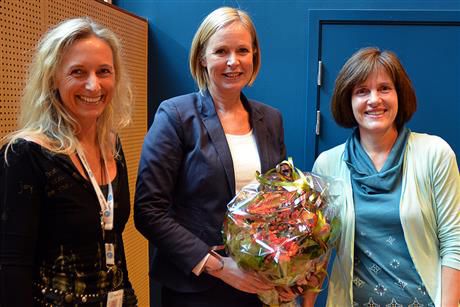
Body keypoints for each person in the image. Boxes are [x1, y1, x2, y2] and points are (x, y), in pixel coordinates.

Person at [134, 6, 286, 307]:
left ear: (254, 54)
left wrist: (286, 270)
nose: (233, 61)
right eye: (221, 51)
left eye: (243, 50)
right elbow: (149, 211)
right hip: (196, 288)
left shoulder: (271, 119)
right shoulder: (176, 115)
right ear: (202, 57)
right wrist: (219, 266)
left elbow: (280, 205)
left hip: (257, 286)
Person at [305, 47, 460, 306]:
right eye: (362, 91)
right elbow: (317, 251)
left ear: (400, 95)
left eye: (385, 88)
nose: (374, 99)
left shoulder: (434, 153)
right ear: (348, 100)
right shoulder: (328, 165)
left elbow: (454, 242)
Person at [0, 18, 137, 306]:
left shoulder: (112, 145)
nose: (93, 85)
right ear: (53, 78)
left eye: (104, 71)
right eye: (78, 72)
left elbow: (113, 243)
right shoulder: (25, 154)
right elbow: (12, 265)